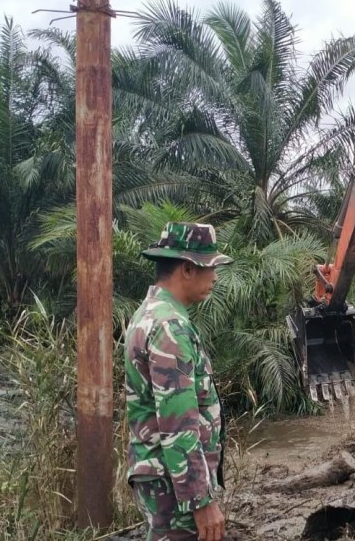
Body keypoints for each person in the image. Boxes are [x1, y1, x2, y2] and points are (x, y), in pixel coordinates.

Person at [124, 222, 233, 541]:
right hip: (174, 488)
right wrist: (201, 502)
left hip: (163, 479)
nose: (215, 276)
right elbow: (178, 426)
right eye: (211, 267)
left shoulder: (148, 315)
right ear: (187, 268)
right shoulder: (169, 328)